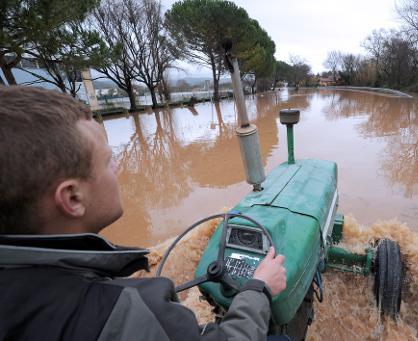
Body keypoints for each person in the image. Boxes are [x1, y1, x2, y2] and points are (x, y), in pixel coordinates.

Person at [0, 86, 287, 340]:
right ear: (73, 198)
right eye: (108, 161)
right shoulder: (126, 311)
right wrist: (258, 288)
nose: (118, 169)